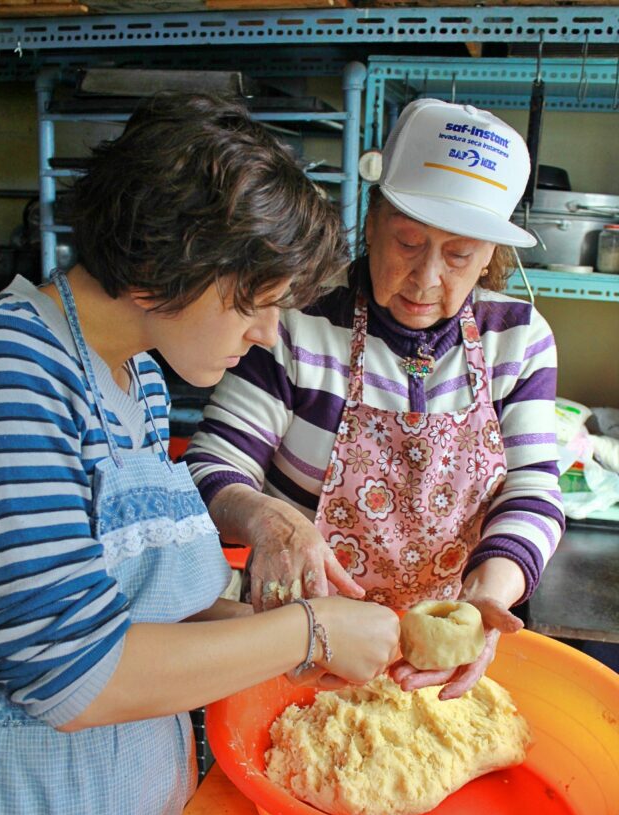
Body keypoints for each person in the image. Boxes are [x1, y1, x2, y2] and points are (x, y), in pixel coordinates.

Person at [0, 93, 402, 815]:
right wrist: (310, 633)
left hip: (128, 806)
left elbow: (145, 617)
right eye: (258, 299)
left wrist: (308, 644)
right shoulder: (12, 372)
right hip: (31, 811)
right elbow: (77, 675)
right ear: (171, 259)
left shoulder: (137, 375)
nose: (270, 330)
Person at [187, 98, 566, 700]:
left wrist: (489, 594)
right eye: (408, 242)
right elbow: (211, 464)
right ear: (371, 221)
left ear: (491, 256)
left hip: (436, 654)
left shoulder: (517, 340)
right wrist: (270, 519)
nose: (426, 278)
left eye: (460, 255)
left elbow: (533, 490)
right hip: (300, 645)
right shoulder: (296, 318)